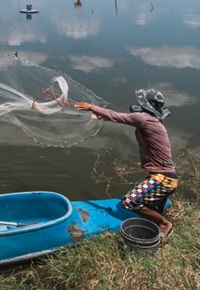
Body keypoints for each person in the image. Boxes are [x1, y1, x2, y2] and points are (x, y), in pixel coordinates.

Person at [75, 88, 177, 244]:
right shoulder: (152, 121)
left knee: (129, 202)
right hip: (166, 178)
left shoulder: (145, 119)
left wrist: (91, 106)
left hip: (162, 179)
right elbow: (121, 118)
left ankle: (164, 224)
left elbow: (117, 116)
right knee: (149, 210)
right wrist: (103, 116)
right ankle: (156, 236)